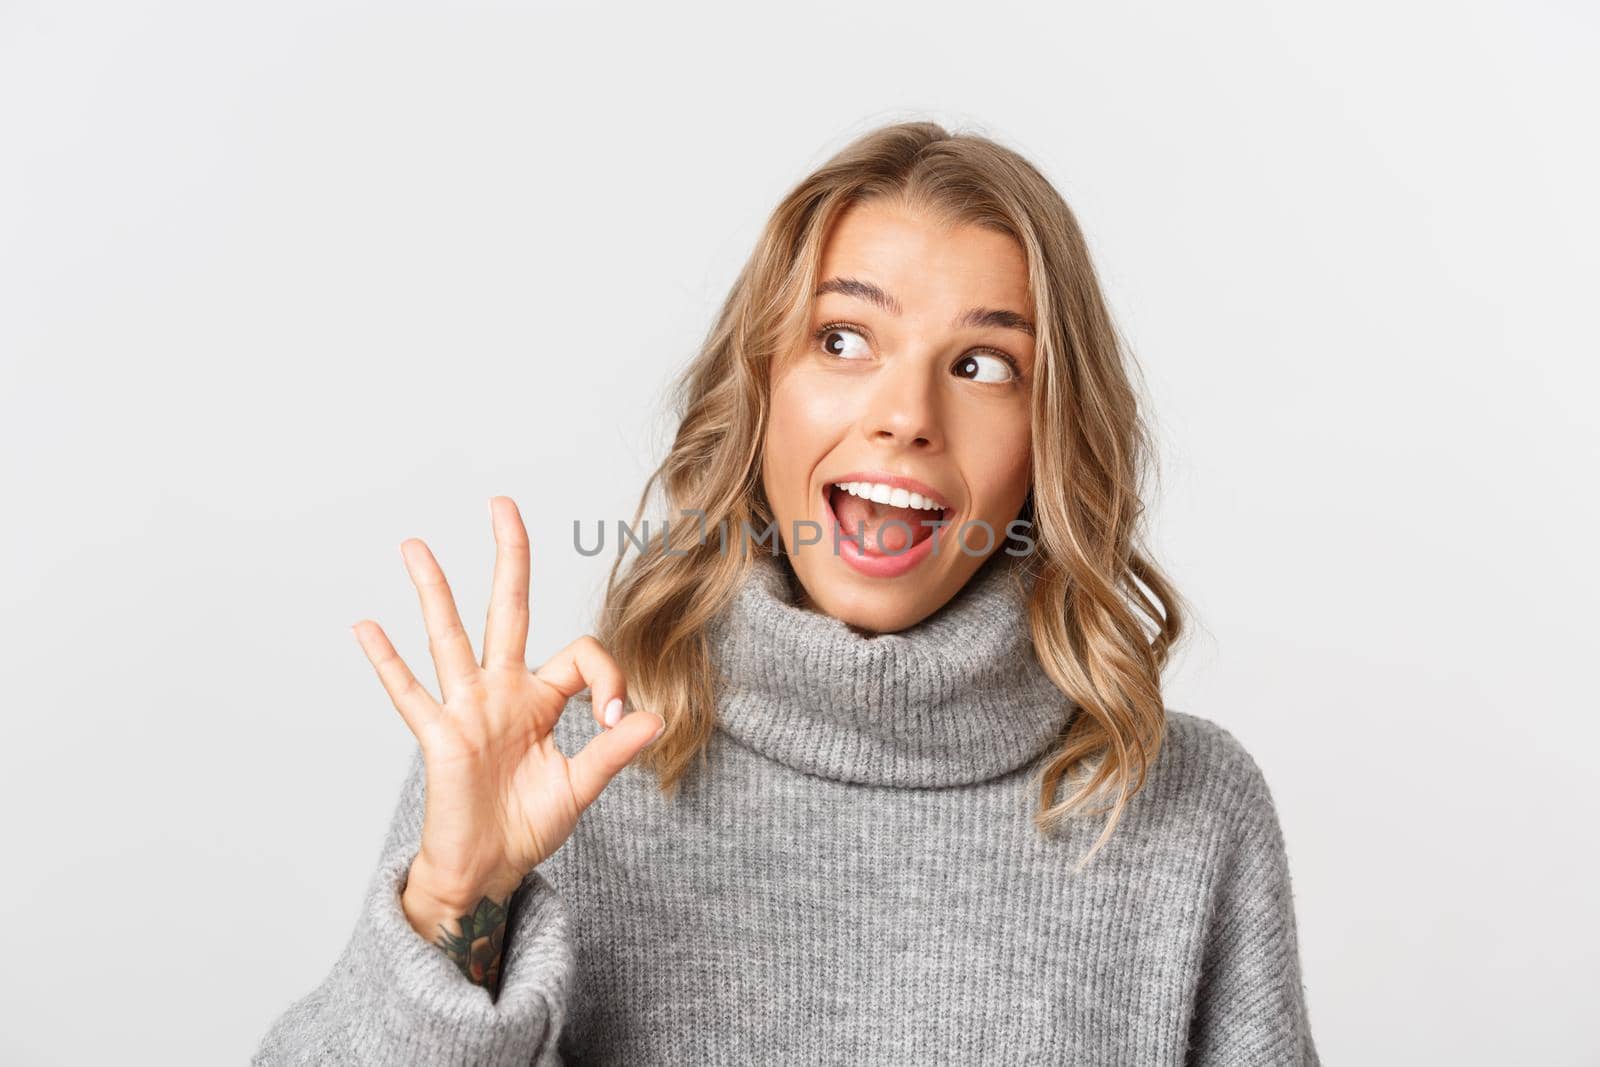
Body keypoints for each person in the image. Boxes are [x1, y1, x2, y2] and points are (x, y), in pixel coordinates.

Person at [254, 121, 1319, 1065]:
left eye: (985, 364)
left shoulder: (1185, 808)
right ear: (756, 390)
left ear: (1050, 442)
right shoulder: (554, 768)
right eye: (842, 338)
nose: (906, 413)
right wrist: (452, 905)